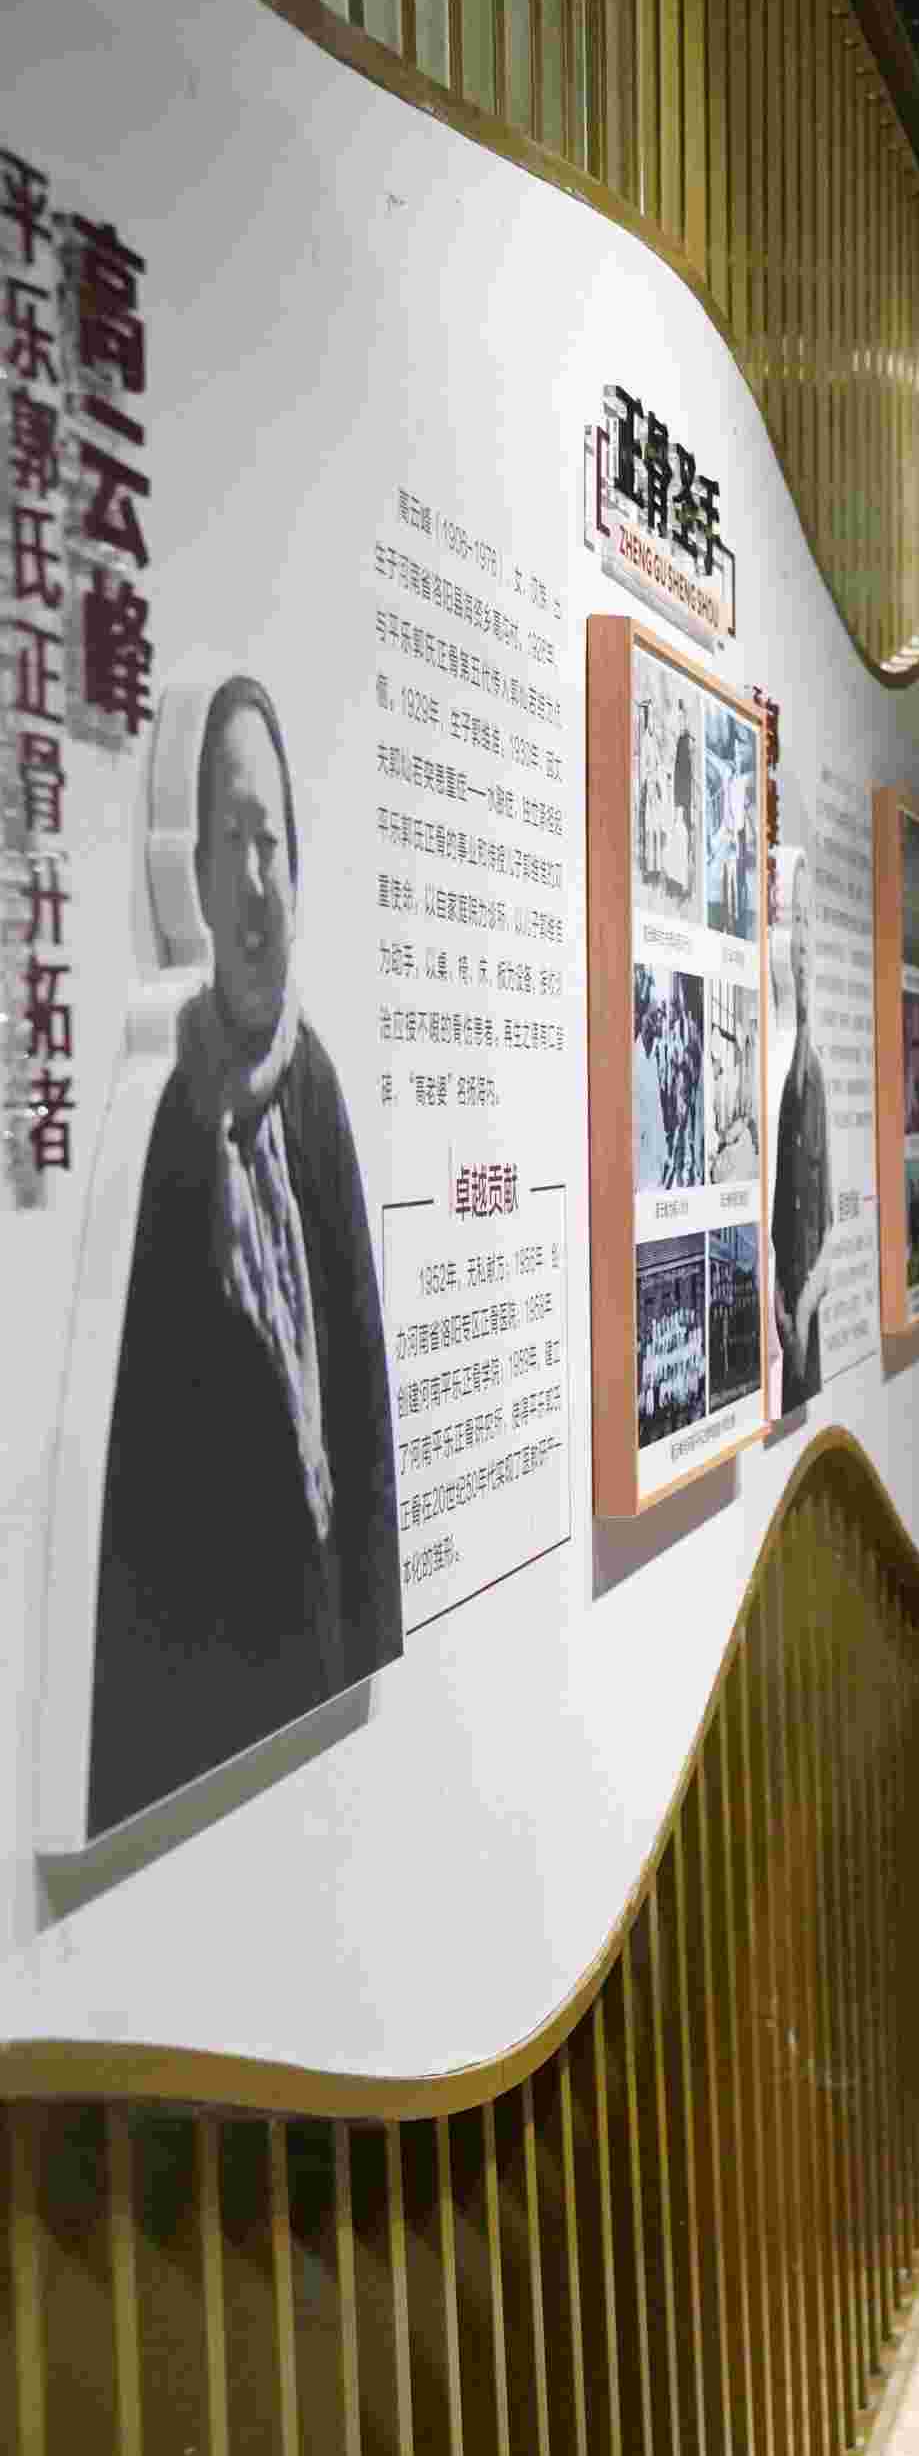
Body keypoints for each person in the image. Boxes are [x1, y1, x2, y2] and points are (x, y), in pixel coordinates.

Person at [91, 677, 404, 1834]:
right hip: (210, 1732)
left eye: (273, 841)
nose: (259, 881)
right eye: (233, 843)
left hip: (326, 1684)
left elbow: (363, 1419)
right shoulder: (162, 1131)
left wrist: (372, 1666)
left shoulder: (314, 1089)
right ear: (192, 877)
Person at [773, 866, 831, 1411]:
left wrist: (807, 1309)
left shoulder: (815, 1073)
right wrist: (780, 1304)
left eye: (811, 922)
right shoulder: (779, 1070)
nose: (805, 942)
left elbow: (830, 1223)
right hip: (780, 1320)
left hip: (805, 1325)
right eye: (797, 922)